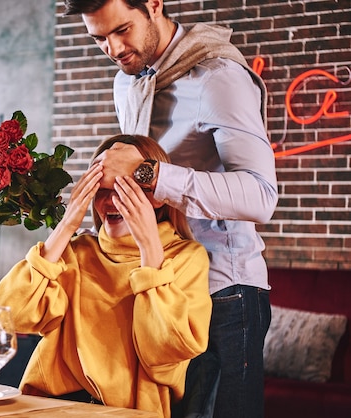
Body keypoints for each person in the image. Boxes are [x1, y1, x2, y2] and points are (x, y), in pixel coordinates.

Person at [62, 1, 279, 417]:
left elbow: (260, 196)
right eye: (99, 38)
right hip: (157, 290)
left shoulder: (219, 79)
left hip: (223, 293)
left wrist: (152, 174)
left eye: (122, 30)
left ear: (155, 5)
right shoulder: (127, 84)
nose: (113, 48)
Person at [0, 134, 212, 418]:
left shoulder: (185, 257)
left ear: (157, 196)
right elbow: (11, 315)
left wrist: (149, 249)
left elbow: (166, 350)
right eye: (100, 189)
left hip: (127, 412)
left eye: (124, 189)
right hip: (49, 406)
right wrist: (67, 225)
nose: (110, 202)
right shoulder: (78, 251)